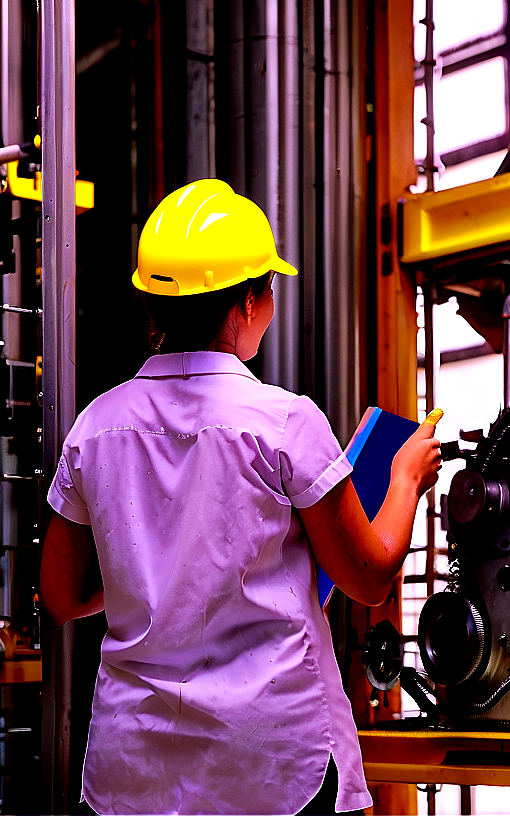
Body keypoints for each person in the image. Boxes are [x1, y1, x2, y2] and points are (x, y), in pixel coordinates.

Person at [39, 179, 442, 816]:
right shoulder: (283, 423)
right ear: (249, 302)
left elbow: (61, 598)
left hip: (135, 773)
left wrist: (157, 581)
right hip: (271, 766)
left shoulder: (95, 427)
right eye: (269, 289)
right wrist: (405, 480)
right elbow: (368, 578)